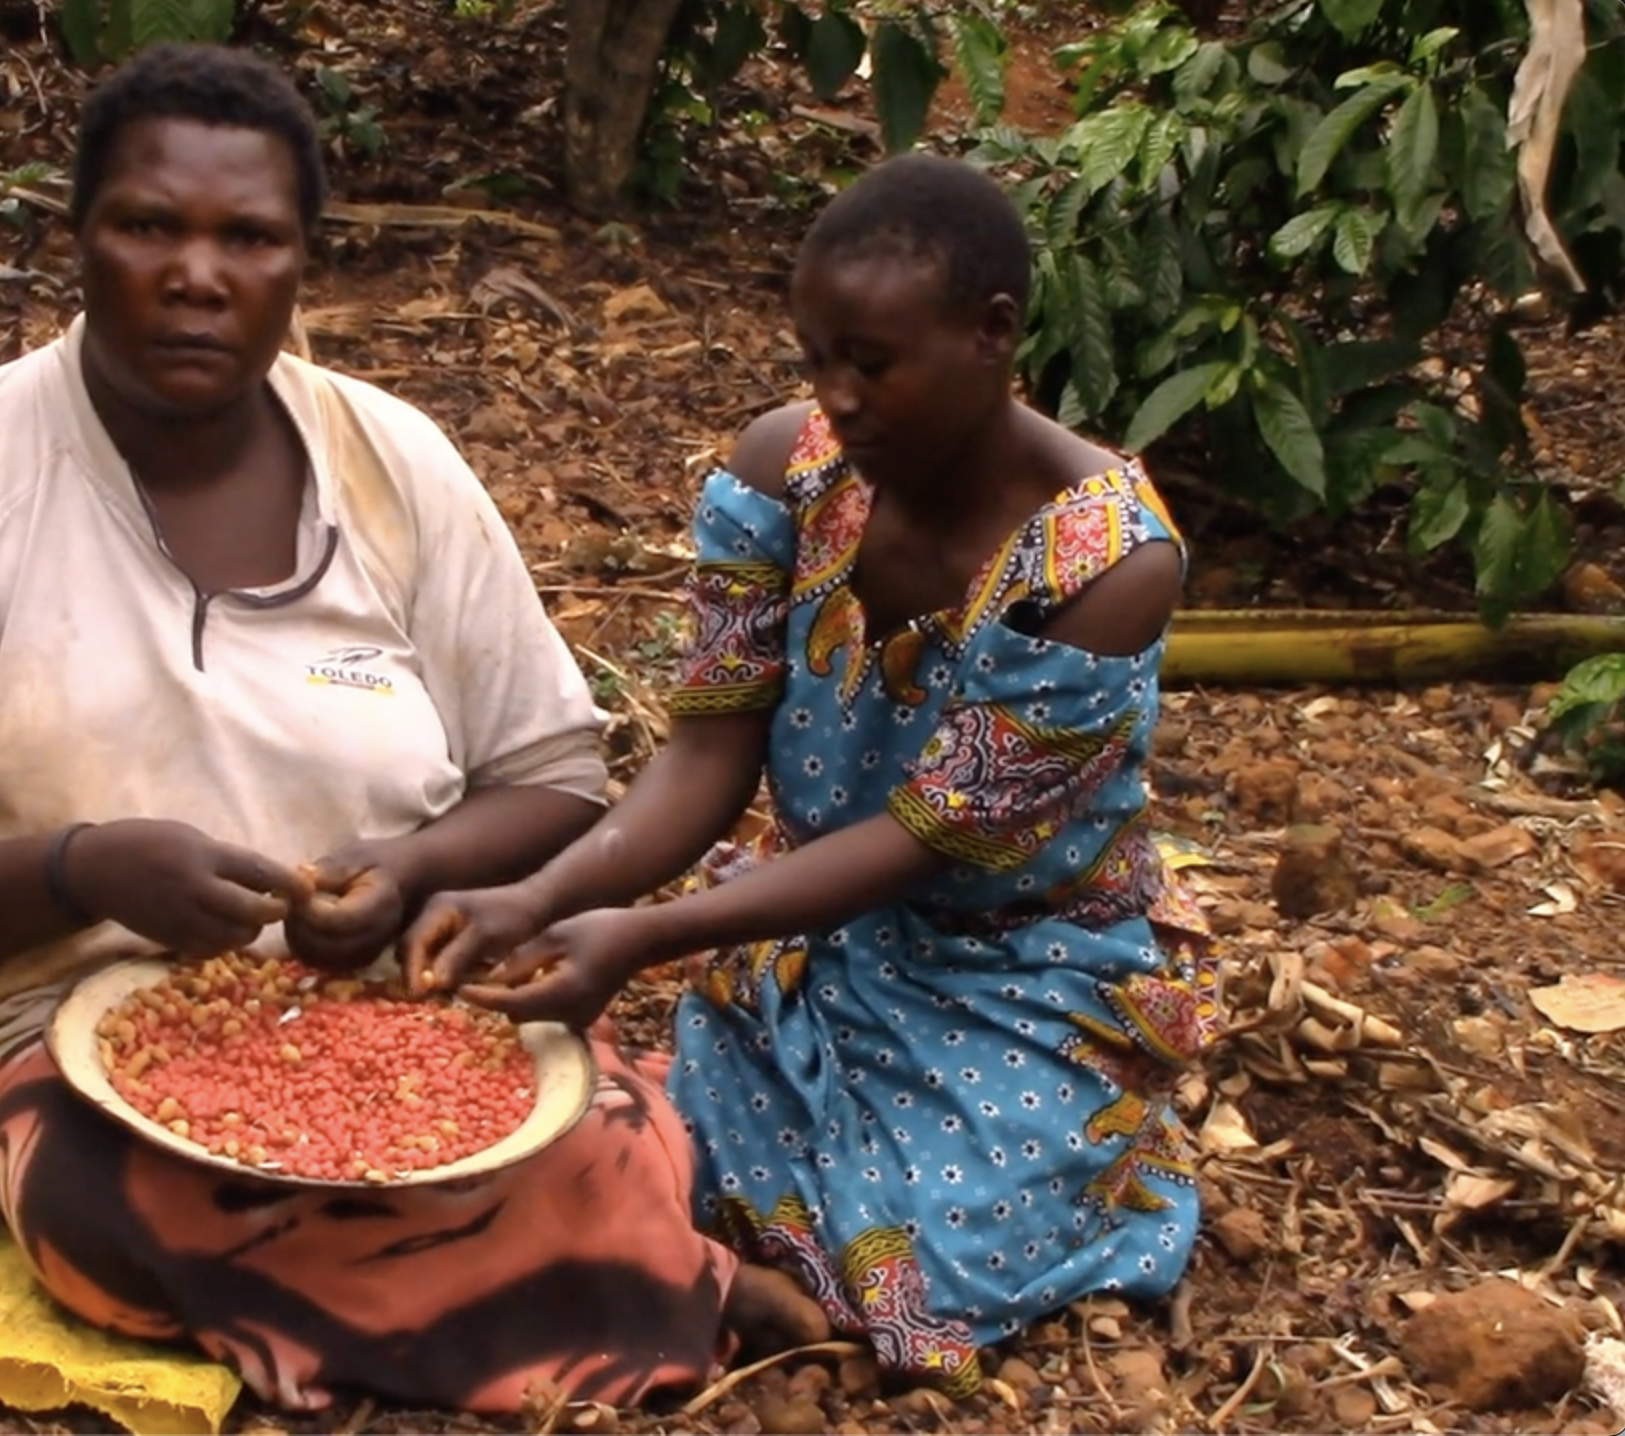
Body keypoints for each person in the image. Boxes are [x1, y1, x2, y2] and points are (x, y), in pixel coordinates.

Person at [0, 43, 737, 1415]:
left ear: (303, 266)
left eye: (250, 238)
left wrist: (402, 877)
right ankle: (627, 1294)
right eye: (149, 225)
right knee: (136, 1210)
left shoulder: (394, 466)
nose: (197, 274)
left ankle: (584, 1278)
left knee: (599, 1117)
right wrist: (79, 871)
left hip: (381, 1002)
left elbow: (550, 775)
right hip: (50, 1026)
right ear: (80, 238)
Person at [408, 153, 1222, 1396]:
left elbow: (924, 839)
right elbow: (705, 747)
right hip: (810, 933)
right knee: (657, 1139)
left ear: (994, 333)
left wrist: (642, 932)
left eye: (872, 362)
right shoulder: (784, 471)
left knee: (929, 1254)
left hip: (1019, 966)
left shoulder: (1105, 561)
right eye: (816, 357)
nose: (836, 396)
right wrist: (551, 896)